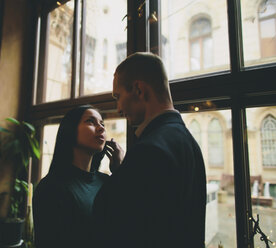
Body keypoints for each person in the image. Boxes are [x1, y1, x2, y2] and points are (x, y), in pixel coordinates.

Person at [93, 52, 207, 248]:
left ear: (138, 89)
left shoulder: (149, 150)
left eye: (118, 97)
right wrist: (123, 171)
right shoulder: (189, 143)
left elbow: (117, 225)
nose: (118, 108)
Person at [33, 105, 124, 248]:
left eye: (102, 123)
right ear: (70, 130)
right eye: (90, 121)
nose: (101, 128)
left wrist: (120, 172)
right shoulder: (51, 188)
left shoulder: (106, 181)